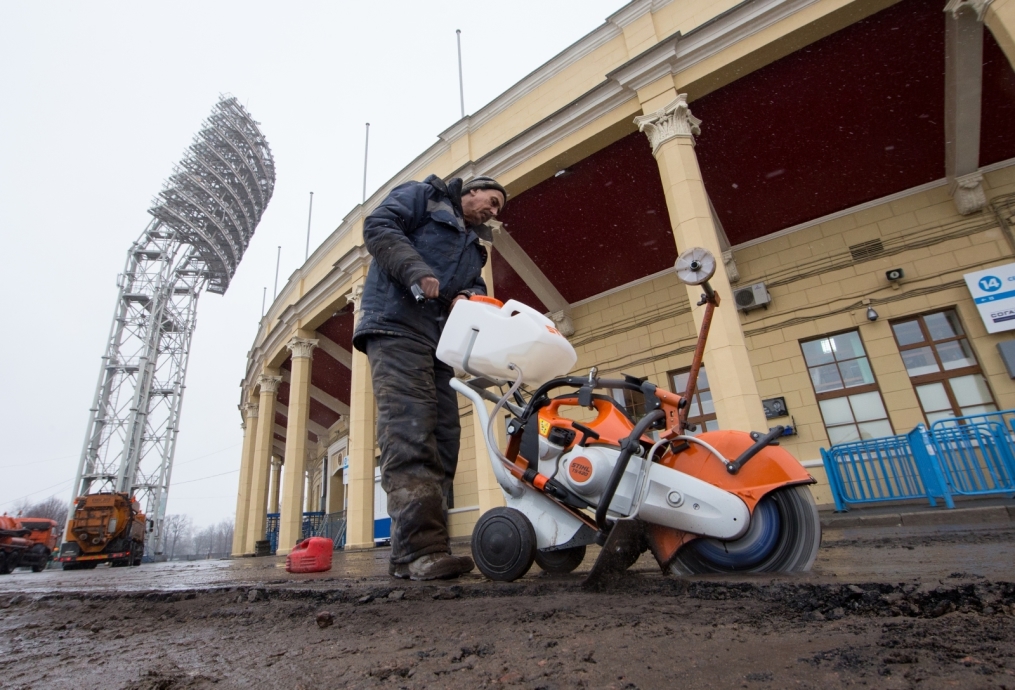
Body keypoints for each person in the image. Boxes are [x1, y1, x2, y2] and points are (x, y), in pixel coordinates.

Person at [352, 174, 507, 581]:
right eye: (490, 200)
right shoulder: (423, 196)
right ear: (469, 191)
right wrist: (416, 270)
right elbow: (378, 226)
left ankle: (416, 549)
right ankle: (421, 551)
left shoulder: (475, 249)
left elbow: (473, 286)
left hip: (437, 342)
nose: (492, 210)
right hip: (395, 326)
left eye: (498, 208)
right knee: (410, 430)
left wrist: (467, 297)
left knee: (443, 436)